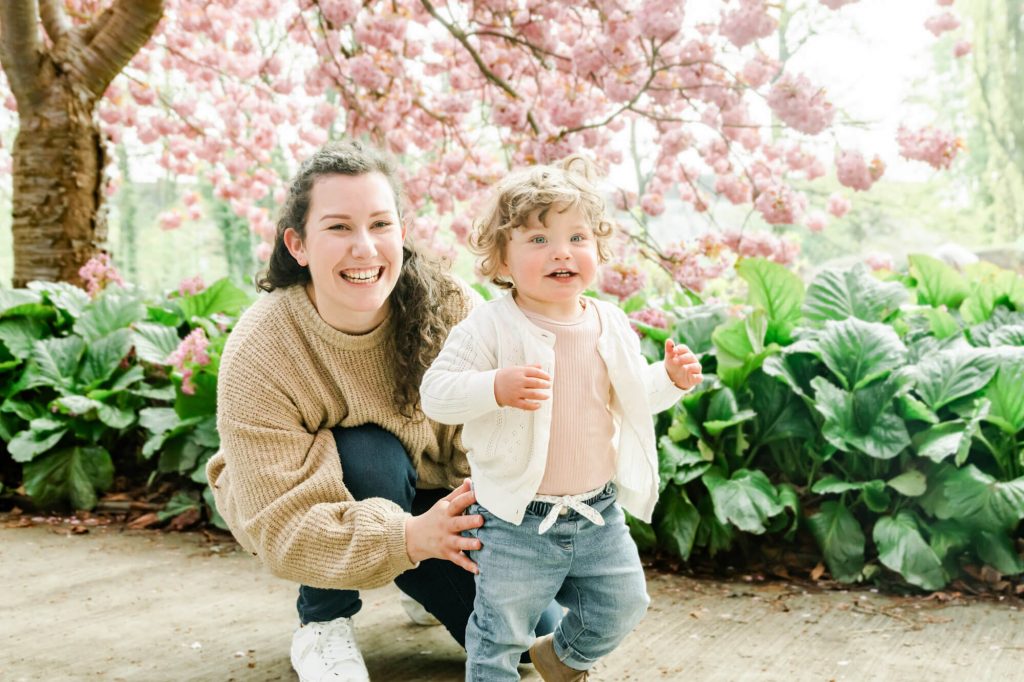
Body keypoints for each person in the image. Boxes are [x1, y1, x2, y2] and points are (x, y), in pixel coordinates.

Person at [205, 140, 558, 682]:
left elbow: (505, 443)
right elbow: (281, 524)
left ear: (401, 231)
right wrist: (408, 538)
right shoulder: (263, 349)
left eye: (380, 224)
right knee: (369, 455)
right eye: (339, 227)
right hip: (333, 492)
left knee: (529, 645)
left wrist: (485, 537)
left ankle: (412, 576)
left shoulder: (451, 309)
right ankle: (324, 622)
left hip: (443, 496)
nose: (365, 248)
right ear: (298, 244)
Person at [420, 157, 704, 681]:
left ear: (598, 248)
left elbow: (631, 397)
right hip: (514, 521)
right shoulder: (490, 326)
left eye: (577, 237)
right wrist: (494, 387)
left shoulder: (608, 322)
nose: (562, 252)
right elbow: (435, 394)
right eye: (538, 239)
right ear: (501, 260)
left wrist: (670, 380)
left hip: (597, 513)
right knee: (499, 634)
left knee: (623, 604)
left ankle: (560, 658)